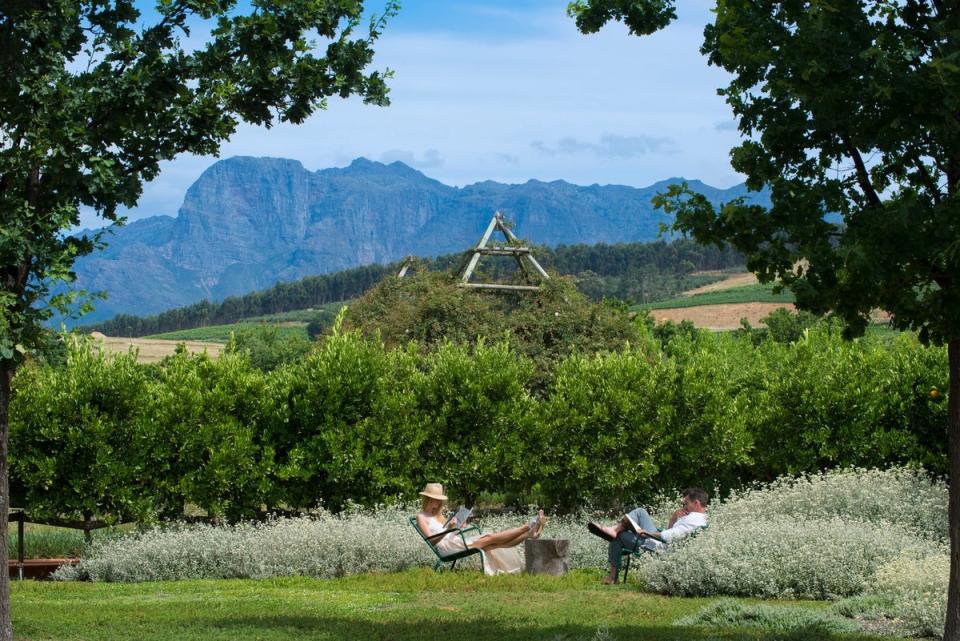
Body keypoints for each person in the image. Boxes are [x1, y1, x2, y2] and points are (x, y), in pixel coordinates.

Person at [415, 482, 546, 575]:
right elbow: (431, 540)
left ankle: (529, 534)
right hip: (447, 548)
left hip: (455, 541)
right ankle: (527, 526)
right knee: (489, 538)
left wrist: (459, 525)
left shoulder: (438, 515)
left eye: (439, 500)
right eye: (435, 499)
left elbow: (449, 531)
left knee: (492, 544)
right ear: (427, 499)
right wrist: (449, 529)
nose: (438, 503)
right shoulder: (421, 517)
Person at [587, 487, 708, 584]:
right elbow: (673, 533)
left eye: (686, 503)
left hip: (660, 549)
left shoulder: (692, 520)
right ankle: (614, 529)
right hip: (663, 544)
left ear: (696, 503)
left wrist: (646, 532)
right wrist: (673, 519)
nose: (684, 507)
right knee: (640, 512)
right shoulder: (699, 519)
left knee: (620, 536)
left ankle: (612, 577)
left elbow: (669, 537)